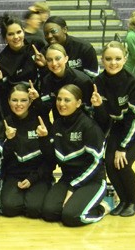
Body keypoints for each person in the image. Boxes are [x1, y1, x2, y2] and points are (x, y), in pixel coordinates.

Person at [91, 41, 135, 217]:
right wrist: (98, 107)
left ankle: (132, 203)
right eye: (109, 59)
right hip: (120, 124)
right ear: (102, 60)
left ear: (125, 59)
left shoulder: (134, 83)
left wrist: (122, 147)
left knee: (123, 162)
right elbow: (104, 119)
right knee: (110, 163)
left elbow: (134, 119)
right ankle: (122, 200)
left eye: (118, 59)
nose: (113, 63)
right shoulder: (98, 82)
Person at [41, 85, 108, 227]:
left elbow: (96, 163)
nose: (61, 104)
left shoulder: (89, 126)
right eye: (59, 99)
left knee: (72, 217)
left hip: (92, 180)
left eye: (67, 100)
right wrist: (43, 139)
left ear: (78, 103)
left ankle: (103, 207)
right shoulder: (58, 124)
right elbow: (51, 158)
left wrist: (73, 187)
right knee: (49, 212)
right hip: (68, 178)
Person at [1, 83, 54, 218]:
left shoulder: (41, 122)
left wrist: (33, 179)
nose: (19, 104)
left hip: (38, 175)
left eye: (23, 100)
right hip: (14, 175)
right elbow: (3, 159)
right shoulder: (6, 123)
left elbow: (51, 160)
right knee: (9, 208)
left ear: (30, 102)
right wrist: (10, 141)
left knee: (34, 209)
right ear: (8, 101)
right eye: (14, 100)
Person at [0, 13, 46, 119]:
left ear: (24, 31)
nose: (16, 37)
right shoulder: (1, 62)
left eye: (19, 32)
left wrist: (44, 66)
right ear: (5, 38)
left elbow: (48, 77)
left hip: (36, 102)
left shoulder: (36, 46)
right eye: (10, 34)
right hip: (14, 109)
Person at [39, 44, 94, 120]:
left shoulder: (82, 81)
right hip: (60, 123)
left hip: (81, 124)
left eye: (58, 58)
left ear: (66, 59)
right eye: (49, 60)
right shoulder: (46, 80)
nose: (54, 63)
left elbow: (90, 110)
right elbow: (45, 107)